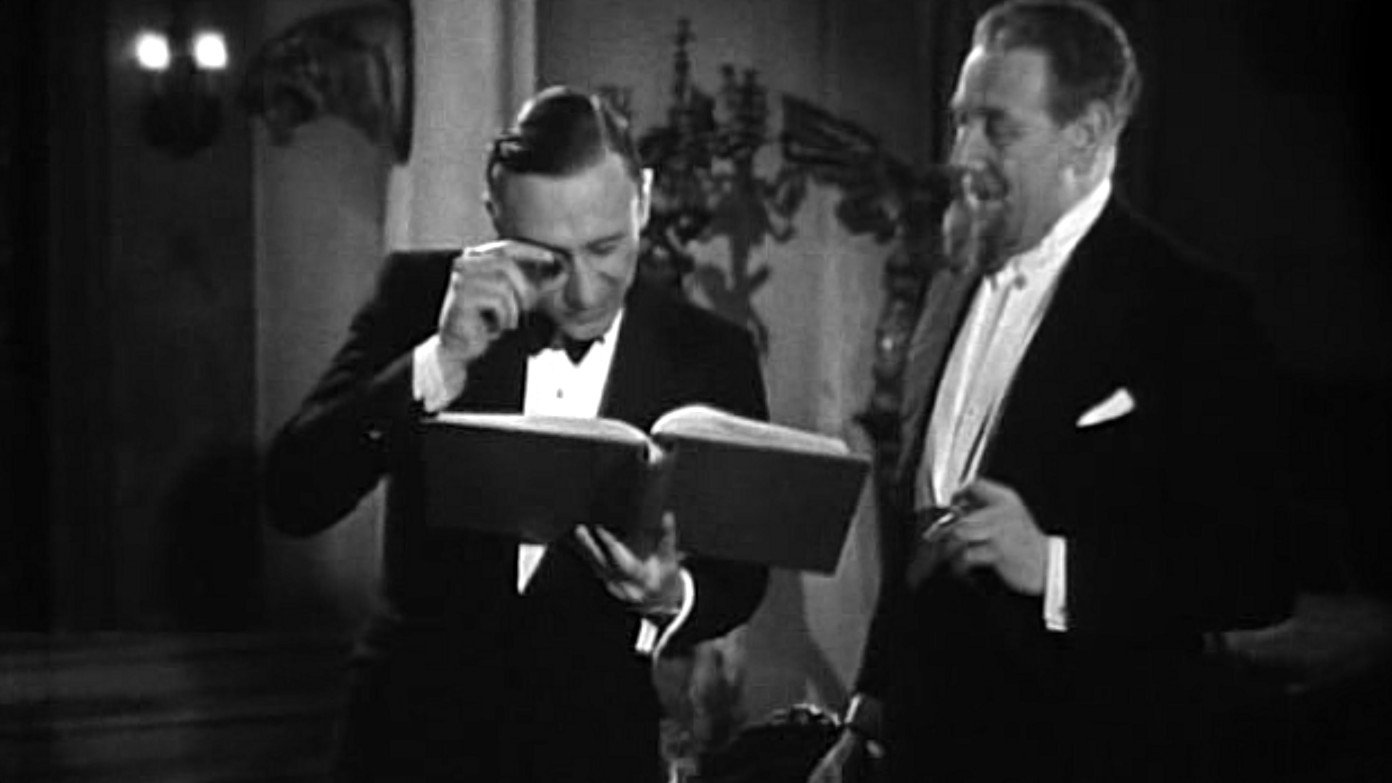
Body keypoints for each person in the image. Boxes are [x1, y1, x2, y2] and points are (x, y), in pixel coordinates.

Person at [810, 2, 1292, 781]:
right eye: (960, 121)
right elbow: (920, 531)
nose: (961, 153)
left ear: (1088, 133)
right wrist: (867, 715)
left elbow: (1257, 572)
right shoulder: (951, 280)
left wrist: (1056, 567)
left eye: (997, 128)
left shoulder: (1191, 309)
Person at [262, 86, 770, 783]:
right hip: (409, 741)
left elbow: (740, 577)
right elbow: (293, 495)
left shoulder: (711, 353)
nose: (585, 291)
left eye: (605, 248)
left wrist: (669, 594)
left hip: (595, 749)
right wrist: (439, 361)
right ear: (496, 215)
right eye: (547, 259)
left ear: (644, 200)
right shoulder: (418, 296)